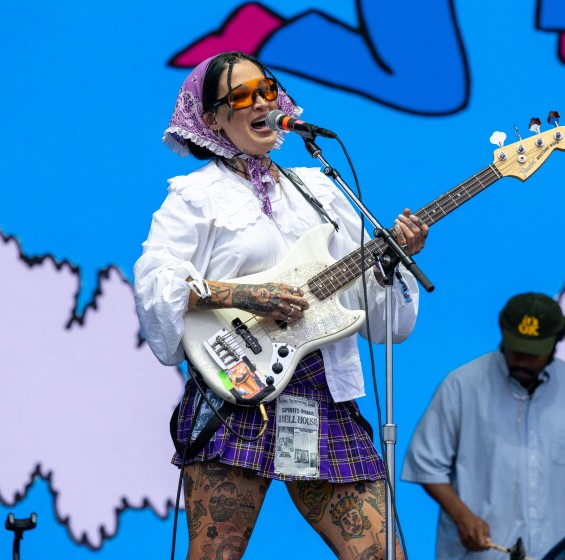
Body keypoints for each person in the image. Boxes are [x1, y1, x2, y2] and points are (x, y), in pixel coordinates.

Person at [133, 51, 428, 559]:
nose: (261, 102)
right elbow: (156, 283)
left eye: (266, 90)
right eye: (241, 96)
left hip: (321, 392)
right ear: (212, 119)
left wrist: (389, 261)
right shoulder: (196, 196)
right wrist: (244, 294)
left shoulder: (320, 190)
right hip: (237, 391)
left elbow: (377, 315)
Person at [401, 292, 565, 559]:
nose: (523, 359)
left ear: (556, 343)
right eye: (516, 349)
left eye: (533, 353)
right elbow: (425, 463)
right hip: (481, 555)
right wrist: (462, 516)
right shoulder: (462, 385)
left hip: (555, 552)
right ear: (502, 334)